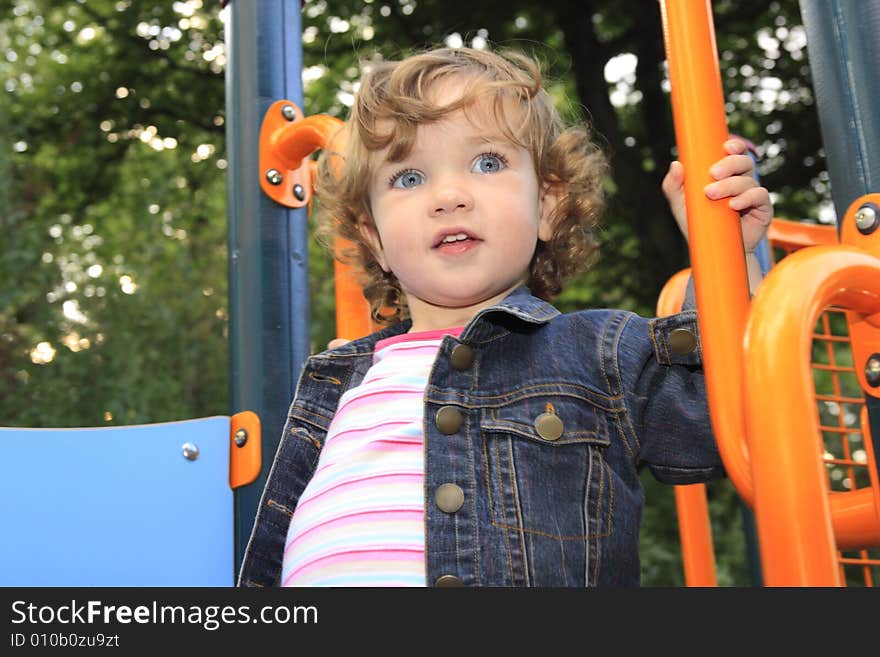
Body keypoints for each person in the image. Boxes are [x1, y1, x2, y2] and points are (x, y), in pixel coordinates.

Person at [238, 46, 772, 587]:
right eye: (408, 178)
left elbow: (728, 420)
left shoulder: (596, 353)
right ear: (373, 237)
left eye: (487, 163)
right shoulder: (342, 380)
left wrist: (727, 256)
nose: (448, 196)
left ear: (548, 206)